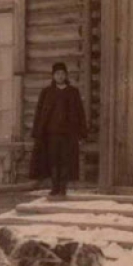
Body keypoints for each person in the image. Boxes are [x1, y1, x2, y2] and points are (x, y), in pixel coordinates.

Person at [29, 62, 88, 198]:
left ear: (66, 75)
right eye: (57, 74)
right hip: (51, 134)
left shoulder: (73, 92)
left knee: (65, 160)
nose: (60, 76)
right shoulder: (47, 92)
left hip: (68, 134)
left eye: (62, 73)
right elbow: (39, 112)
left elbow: (80, 112)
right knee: (53, 160)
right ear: (53, 76)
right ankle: (54, 187)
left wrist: (81, 133)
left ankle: (63, 188)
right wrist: (37, 131)